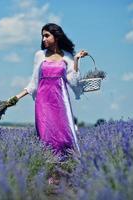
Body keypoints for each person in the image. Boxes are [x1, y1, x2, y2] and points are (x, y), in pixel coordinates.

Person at [8, 23, 87, 157]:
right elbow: (33, 83)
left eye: (46, 35)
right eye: (42, 36)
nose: (43, 39)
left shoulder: (67, 56)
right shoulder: (40, 55)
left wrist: (76, 60)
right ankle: (48, 171)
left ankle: (66, 169)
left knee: (64, 136)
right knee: (45, 137)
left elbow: (73, 81)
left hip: (61, 103)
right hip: (43, 103)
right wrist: (15, 98)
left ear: (56, 37)